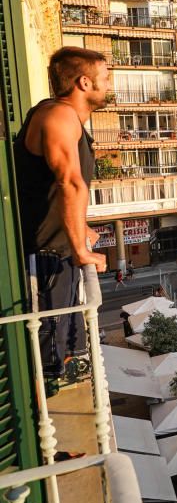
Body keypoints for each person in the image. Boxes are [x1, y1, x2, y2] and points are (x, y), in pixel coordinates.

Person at [14, 47, 109, 381]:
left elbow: (55, 187)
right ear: (84, 82)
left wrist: (81, 228)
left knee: (63, 351)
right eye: (105, 77)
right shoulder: (58, 116)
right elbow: (70, 184)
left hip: (57, 253)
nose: (109, 84)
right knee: (48, 362)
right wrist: (82, 250)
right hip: (46, 257)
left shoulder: (64, 117)